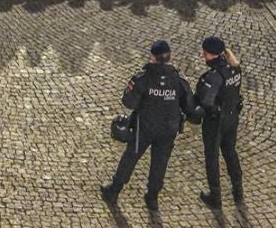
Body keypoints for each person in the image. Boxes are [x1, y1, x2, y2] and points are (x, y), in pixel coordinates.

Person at [101, 39, 195, 210]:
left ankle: (114, 190)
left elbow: (129, 102)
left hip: (145, 127)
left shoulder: (143, 78)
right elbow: (189, 104)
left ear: (152, 57)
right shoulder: (178, 78)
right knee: (160, 162)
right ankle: (152, 197)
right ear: (169, 56)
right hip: (168, 128)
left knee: (130, 157)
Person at [193, 36, 244, 208]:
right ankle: (238, 192)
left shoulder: (214, 76)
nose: (203, 55)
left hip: (216, 122)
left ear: (212, 55)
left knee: (212, 157)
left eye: (205, 53)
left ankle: (215, 197)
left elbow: (206, 101)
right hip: (232, 117)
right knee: (230, 152)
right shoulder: (235, 68)